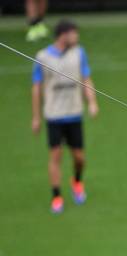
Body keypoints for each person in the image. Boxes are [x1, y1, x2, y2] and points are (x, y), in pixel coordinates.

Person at [31, 19, 98, 214]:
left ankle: (76, 181)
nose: (76, 37)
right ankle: (57, 195)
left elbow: (86, 78)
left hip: (74, 114)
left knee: (79, 158)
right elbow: (36, 88)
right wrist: (36, 117)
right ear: (63, 35)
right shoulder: (42, 57)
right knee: (56, 156)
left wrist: (92, 103)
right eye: (74, 33)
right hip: (54, 115)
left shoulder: (79, 53)